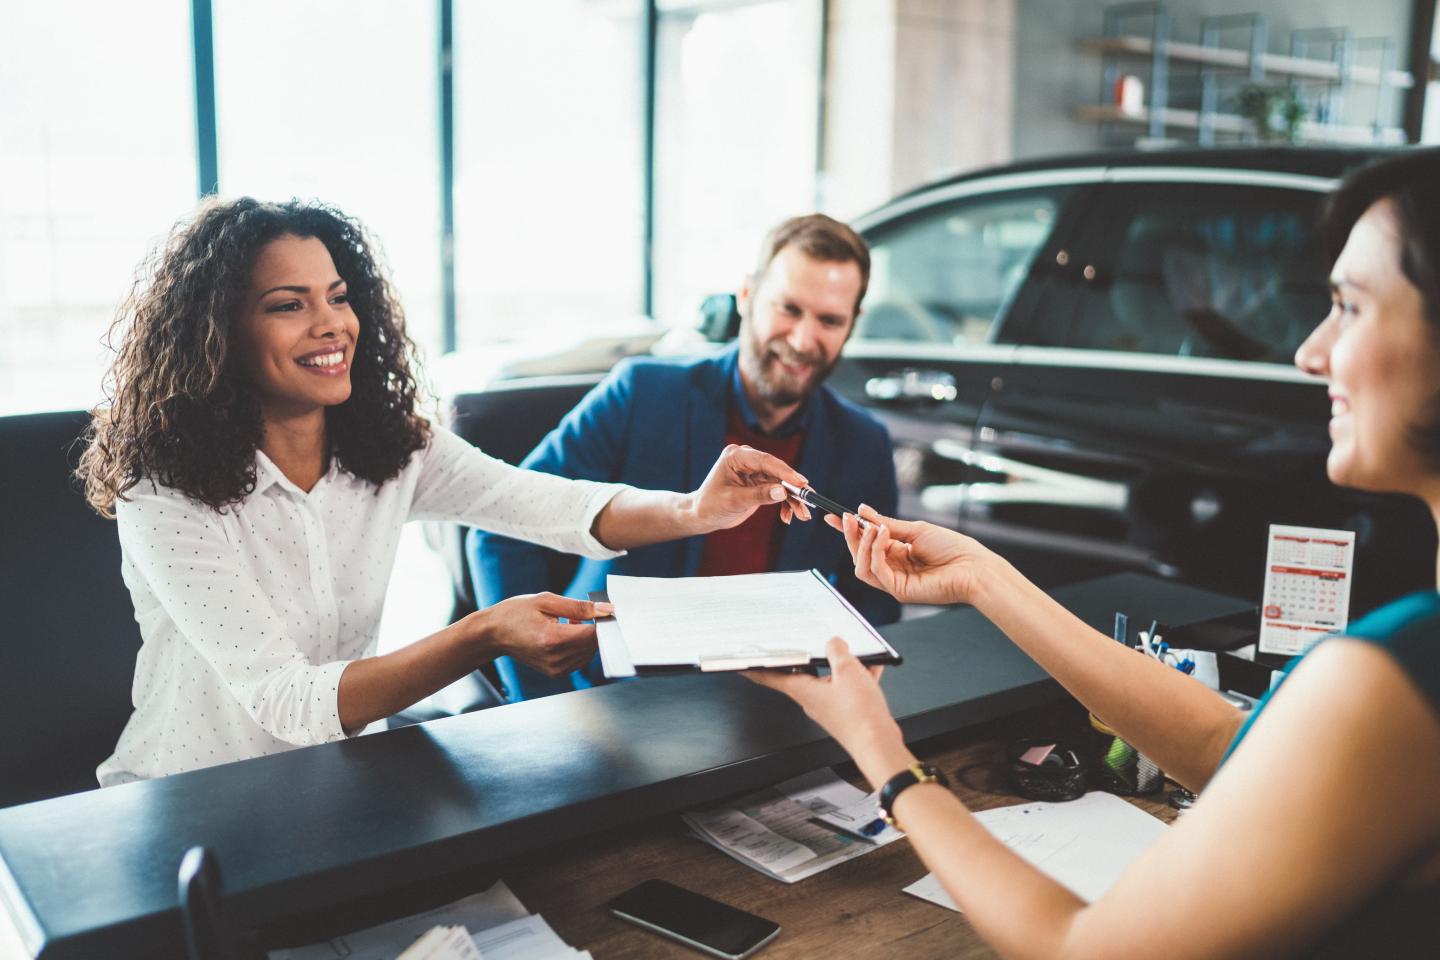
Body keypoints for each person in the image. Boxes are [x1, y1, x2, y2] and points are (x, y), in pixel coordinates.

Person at [748, 149, 1440, 958]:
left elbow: (1080, 948)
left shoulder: (1399, 673)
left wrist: (881, 754)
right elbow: (1231, 746)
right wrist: (987, 578)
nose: (1309, 352)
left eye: (1351, 309)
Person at [80, 197, 809, 785]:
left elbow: (552, 506)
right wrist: (481, 634)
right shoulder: (164, 491)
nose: (332, 322)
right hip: (187, 798)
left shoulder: (390, 447)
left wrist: (696, 509)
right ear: (221, 333)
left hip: (330, 781)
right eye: (288, 304)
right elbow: (288, 701)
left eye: (337, 296)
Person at [470, 214, 899, 701]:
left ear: (852, 325)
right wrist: (539, 702)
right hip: (614, 695)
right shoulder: (641, 394)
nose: (802, 340)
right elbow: (500, 530)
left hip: (772, 706)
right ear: (747, 297)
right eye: (788, 308)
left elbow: (873, 595)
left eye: (829, 320)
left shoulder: (864, 441)